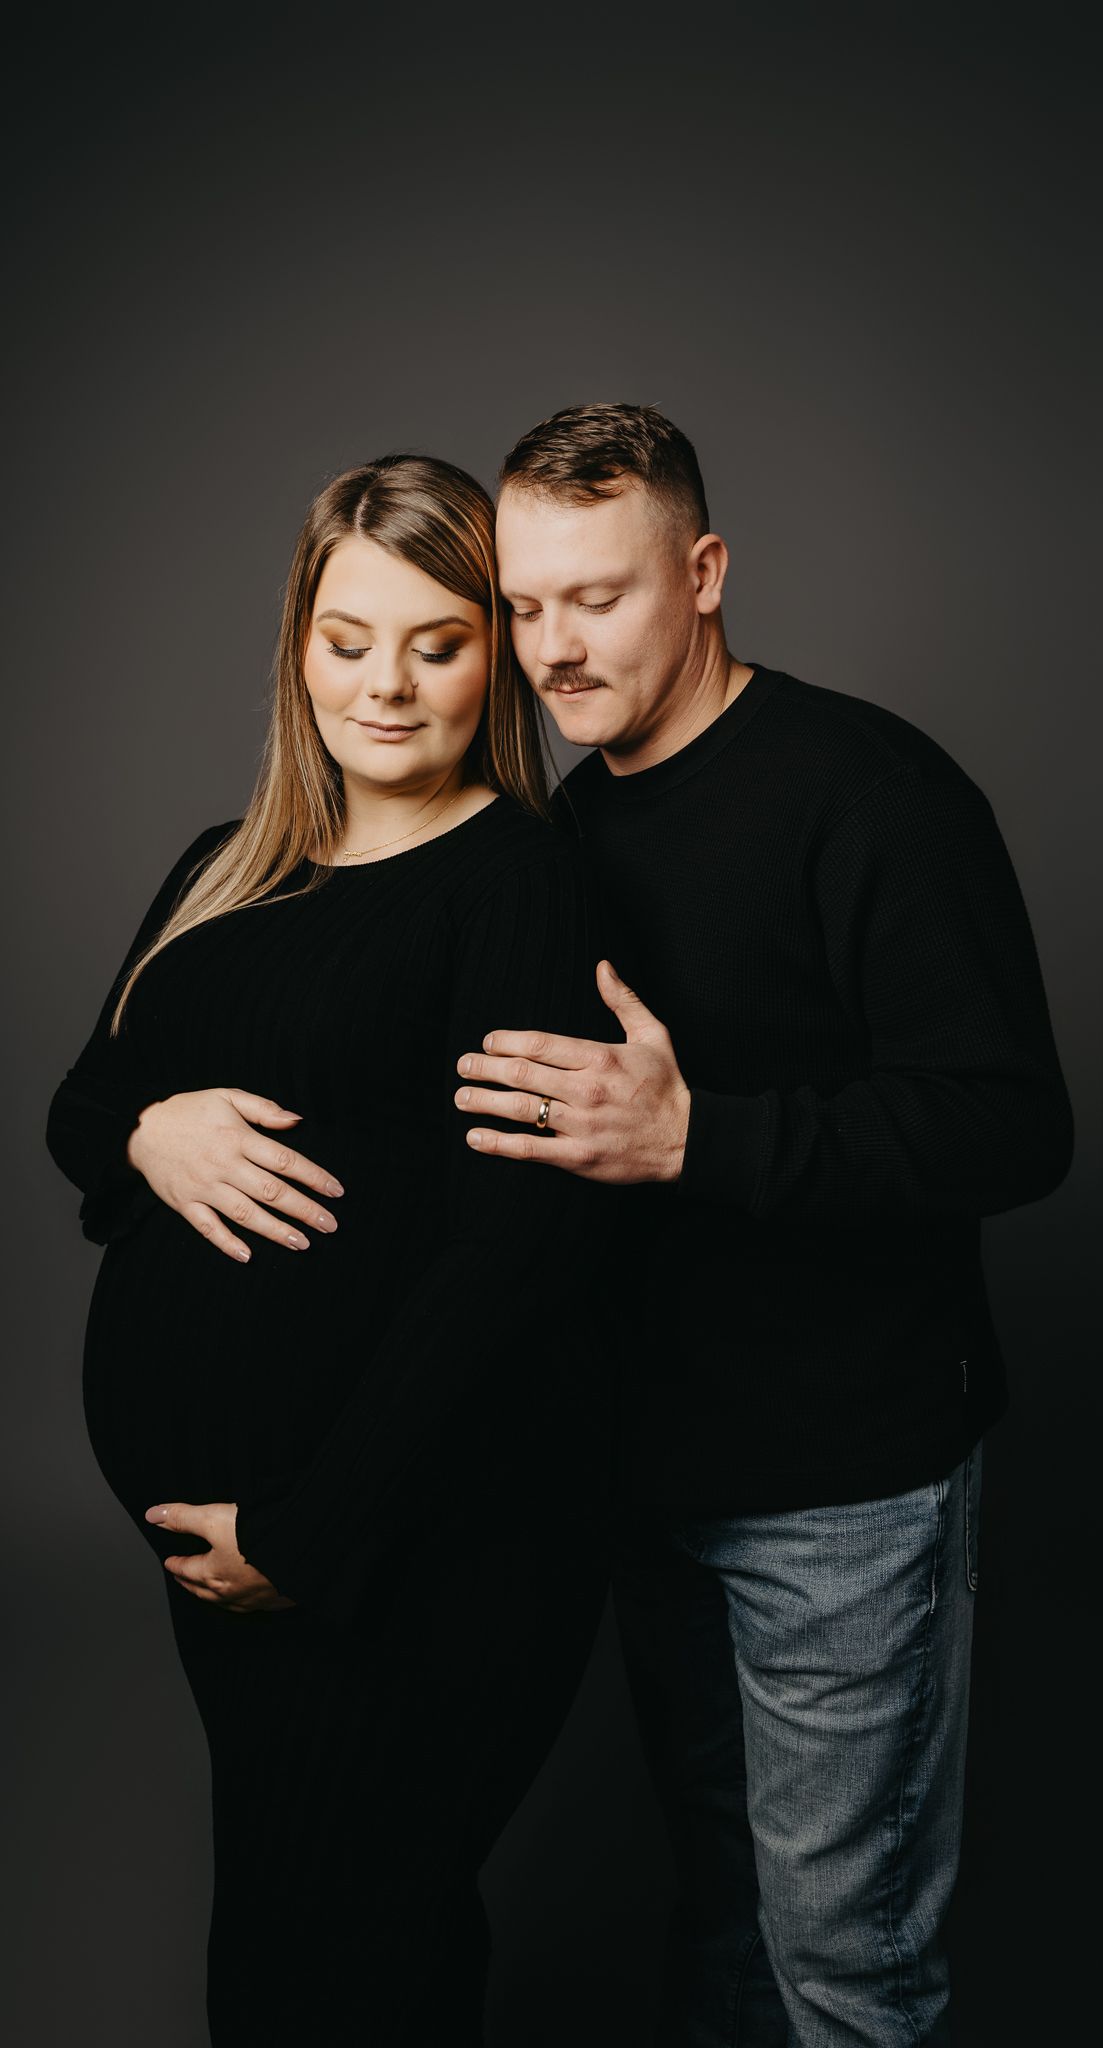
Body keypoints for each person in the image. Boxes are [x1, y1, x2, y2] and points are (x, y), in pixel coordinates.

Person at [447, 402, 1074, 2045]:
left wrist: (696, 1138)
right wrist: (160, 1114)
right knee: (727, 1924)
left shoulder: (870, 791)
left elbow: (1014, 1121)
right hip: (651, 1483)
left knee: (845, 1970)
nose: (553, 649)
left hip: (846, 1498)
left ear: (707, 572)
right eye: (523, 605)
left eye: (599, 596)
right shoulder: (561, 833)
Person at [44, 454, 613, 2047]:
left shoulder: (516, 882)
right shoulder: (228, 869)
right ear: (298, 641)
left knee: (359, 1945)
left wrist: (306, 1530)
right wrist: (151, 1132)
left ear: (492, 655)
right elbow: (82, 1110)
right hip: (241, 1552)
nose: (388, 682)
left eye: (437, 641)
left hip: (404, 1550)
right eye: (350, 636)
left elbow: (515, 1258)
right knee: (296, 1934)